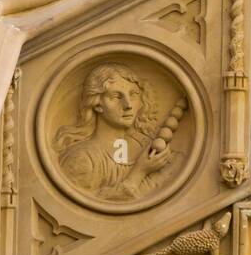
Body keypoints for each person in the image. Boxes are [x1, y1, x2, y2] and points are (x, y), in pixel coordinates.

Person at [53, 63, 171, 200]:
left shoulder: (148, 148)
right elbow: (89, 207)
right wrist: (140, 171)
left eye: (133, 95)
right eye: (116, 97)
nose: (128, 105)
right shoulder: (81, 158)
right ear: (97, 104)